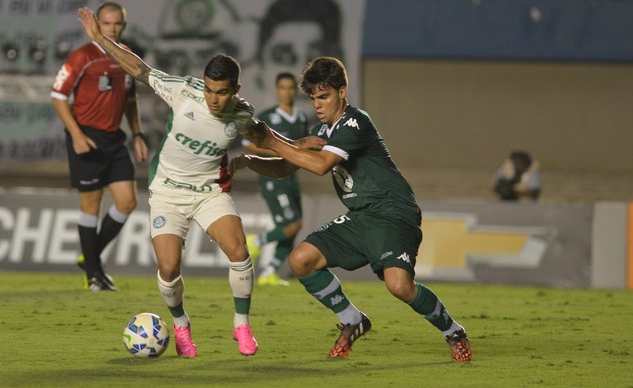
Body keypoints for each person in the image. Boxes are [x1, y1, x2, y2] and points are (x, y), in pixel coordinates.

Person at [76, 6, 321, 358]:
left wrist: (299, 146)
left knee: (238, 251)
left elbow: (267, 139)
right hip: (167, 193)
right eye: (208, 90)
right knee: (168, 267)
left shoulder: (240, 115)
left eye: (221, 92)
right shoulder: (183, 92)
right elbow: (139, 69)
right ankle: (180, 325)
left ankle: (241, 325)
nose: (213, 98)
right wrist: (101, 39)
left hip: (209, 192)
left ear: (235, 89)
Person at [233, 57, 472, 362]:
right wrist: (250, 160)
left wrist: (270, 140)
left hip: (392, 212)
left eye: (325, 96)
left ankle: (453, 331)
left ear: (342, 91)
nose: (318, 104)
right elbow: (286, 164)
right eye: (313, 98)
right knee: (301, 259)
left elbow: (319, 166)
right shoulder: (323, 131)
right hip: (361, 216)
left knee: (399, 286)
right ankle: (353, 320)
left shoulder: (354, 122)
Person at [51, 2, 147, 292]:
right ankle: (94, 274)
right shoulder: (82, 56)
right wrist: (77, 135)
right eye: (106, 24)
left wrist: (138, 134)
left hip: (114, 138)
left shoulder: (127, 57)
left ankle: (90, 257)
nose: (112, 29)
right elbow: (58, 96)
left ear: (123, 26)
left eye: (117, 24)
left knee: (127, 202)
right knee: (91, 207)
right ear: (98, 25)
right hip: (87, 137)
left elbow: (130, 100)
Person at [244, 72, 309, 286]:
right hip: (272, 177)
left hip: (291, 178)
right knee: (292, 224)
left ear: (295, 91)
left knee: (295, 226)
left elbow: (303, 145)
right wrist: (277, 152)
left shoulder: (301, 117)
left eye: (291, 88)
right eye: (283, 88)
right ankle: (257, 241)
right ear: (276, 90)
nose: (287, 92)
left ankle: (269, 271)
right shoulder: (267, 118)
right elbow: (248, 145)